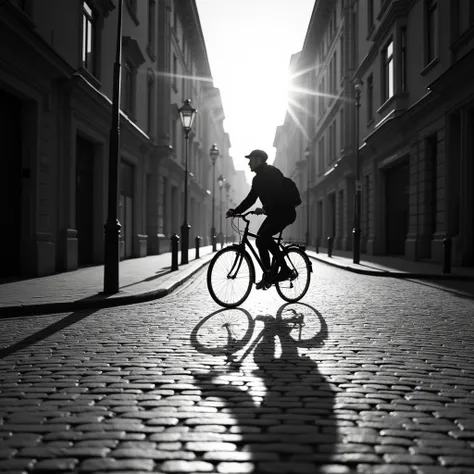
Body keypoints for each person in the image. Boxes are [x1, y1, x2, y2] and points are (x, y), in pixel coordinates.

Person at [226, 149, 297, 289]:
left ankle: (285, 270)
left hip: (285, 212)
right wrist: (236, 211)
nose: (248, 163)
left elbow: (278, 194)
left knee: (264, 237)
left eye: (250, 160)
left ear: (258, 160)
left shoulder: (273, 173)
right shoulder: (257, 179)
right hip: (274, 214)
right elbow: (251, 199)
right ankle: (269, 273)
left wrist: (265, 208)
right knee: (260, 240)